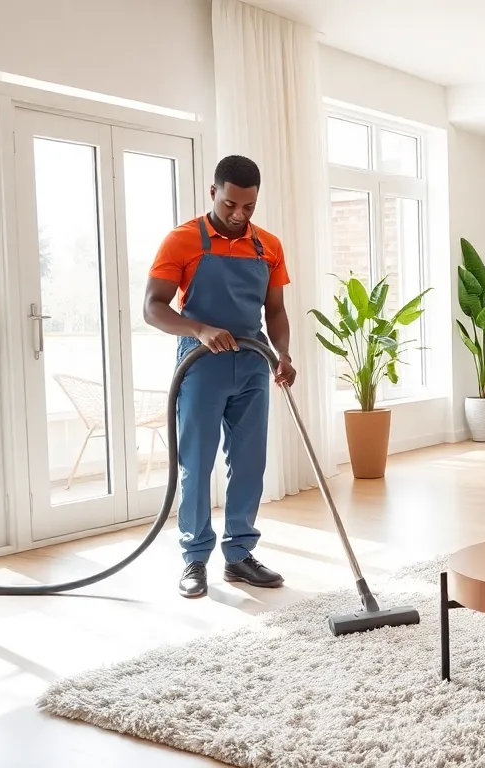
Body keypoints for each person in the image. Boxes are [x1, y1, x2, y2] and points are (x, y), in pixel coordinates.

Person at [144, 155, 297, 598]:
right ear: (213, 193)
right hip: (201, 365)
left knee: (250, 463)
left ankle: (240, 556)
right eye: (231, 204)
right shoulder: (182, 241)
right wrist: (198, 328)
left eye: (248, 207)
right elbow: (153, 307)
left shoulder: (267, 245)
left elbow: (276, 310)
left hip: (253, 362)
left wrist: (283, 354)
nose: (239, 215)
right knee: (196, 462)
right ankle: (194, 558)